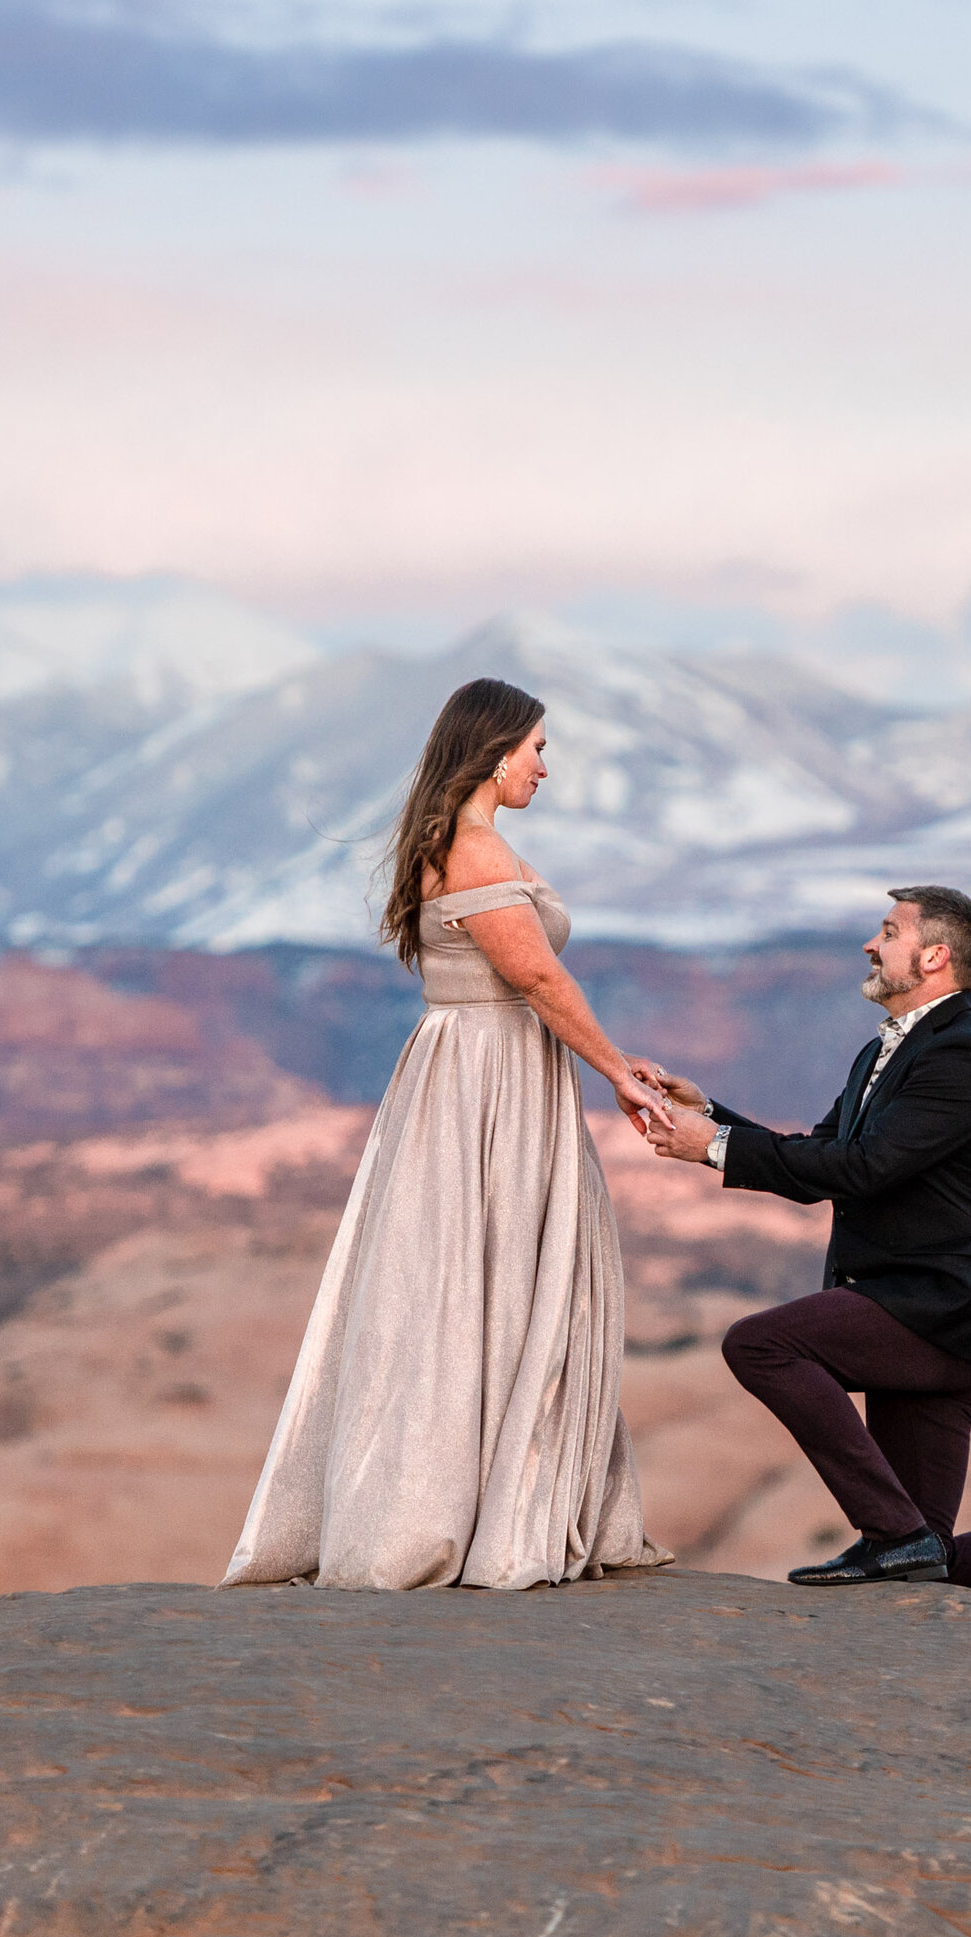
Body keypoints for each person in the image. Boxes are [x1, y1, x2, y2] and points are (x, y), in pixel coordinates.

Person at [222, 678, 676, 1592]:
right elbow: (539, 981)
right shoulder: (470, 853)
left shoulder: (462, 844)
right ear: (495, 748)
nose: (545, 767)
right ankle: (456, 1514)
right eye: (537, 748)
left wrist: (618, 1059)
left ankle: (484, 1495)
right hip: (487, 1078)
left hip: (490, 1072)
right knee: (479, 1274)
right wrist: (618, 1071)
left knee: (481, 1274)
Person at [633, 886, 971, 1617]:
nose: (871, 943)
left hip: (946, 1309)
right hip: (915, 1306)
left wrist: (717, 1150)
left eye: (888, 931)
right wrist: (709, 1116)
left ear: (934, 956)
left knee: (761, 1346)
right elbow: (822, 1158)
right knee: (928, 1555)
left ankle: (891, 1533)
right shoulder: (885, 1049)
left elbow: (869, 1168)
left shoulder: (964, 1052)